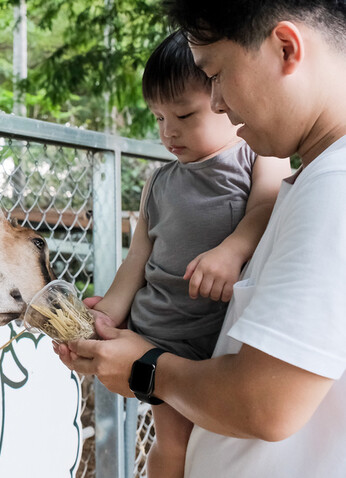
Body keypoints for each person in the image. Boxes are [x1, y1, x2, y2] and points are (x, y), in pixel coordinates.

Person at [55, 1, 346, 476]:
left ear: (286, 48)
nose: (217, 103)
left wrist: (147, 368)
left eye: (216, 74)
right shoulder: (312, 180)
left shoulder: (334, 187)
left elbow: (265, 406)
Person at [81, 30, 289, 478]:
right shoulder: (159, 183)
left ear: (223, 99)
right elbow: (137, 261)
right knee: (173, 444)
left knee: (221, 443)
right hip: (161, 335)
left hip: (224, 337)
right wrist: (107, 317)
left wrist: (231, 251)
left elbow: (268, 206)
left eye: (184, 114)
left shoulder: (255, 155)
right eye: (158, 117)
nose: (168, 131)